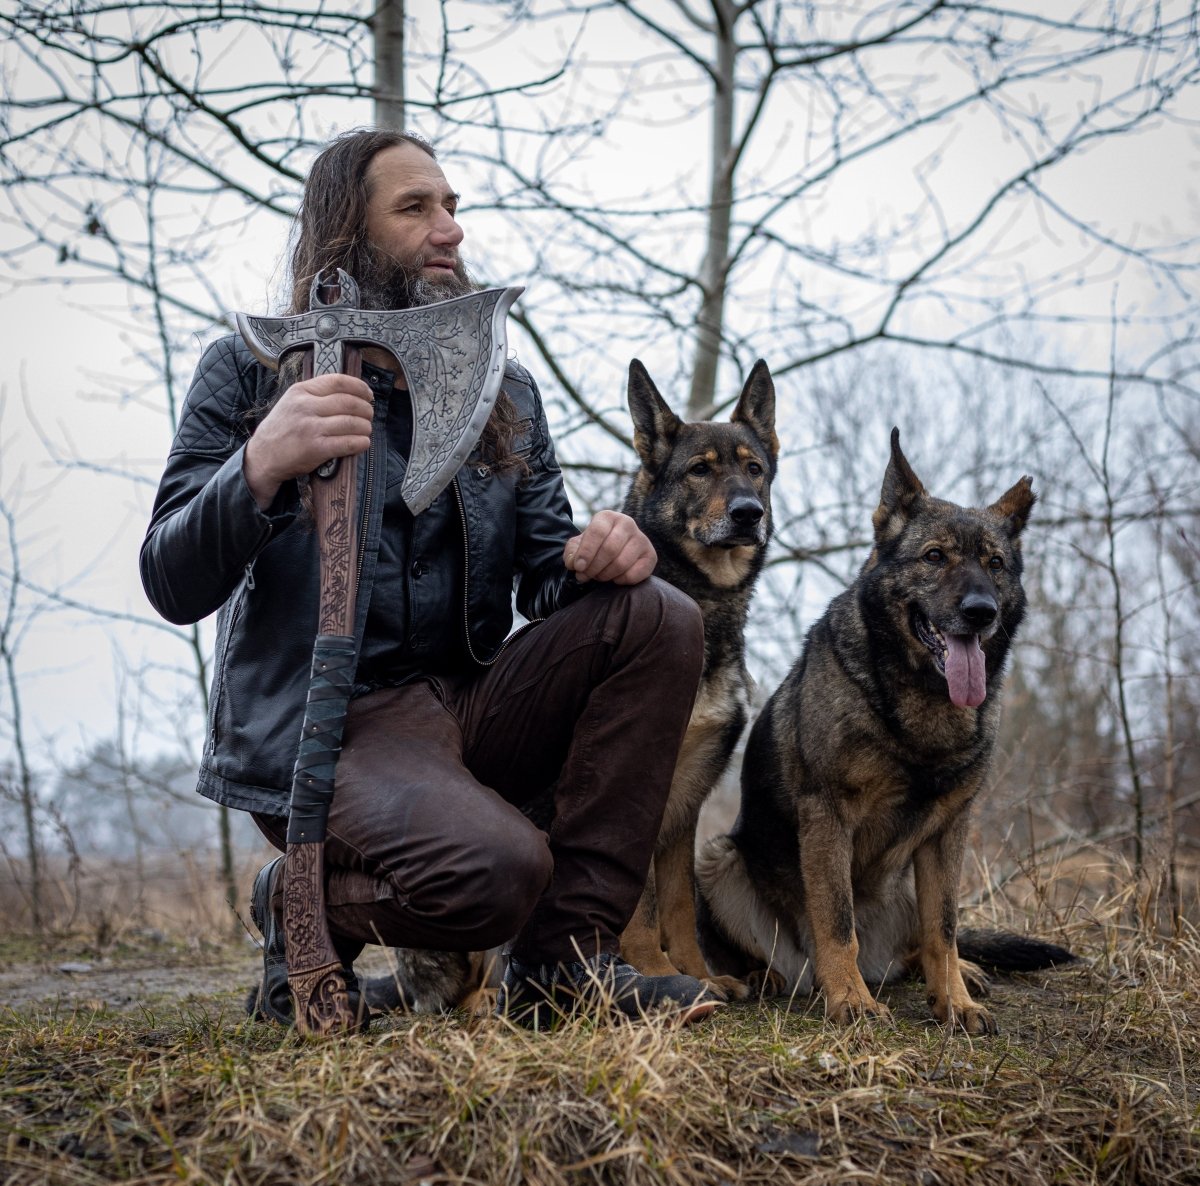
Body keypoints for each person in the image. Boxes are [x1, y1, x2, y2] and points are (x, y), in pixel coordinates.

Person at [139, 128, 714, 1031]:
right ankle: (301, 895)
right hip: (331, 726)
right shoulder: (251, 376)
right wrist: (259, 464)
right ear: (346, 233)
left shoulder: (504, 391)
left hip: (469, 703)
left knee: (661, 616)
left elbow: (545, 578)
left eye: (452, 207)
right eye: (416, 208)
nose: (448, 228)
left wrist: (601, 559)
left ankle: (571, 966)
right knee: (499, 872)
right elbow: (170, 578)